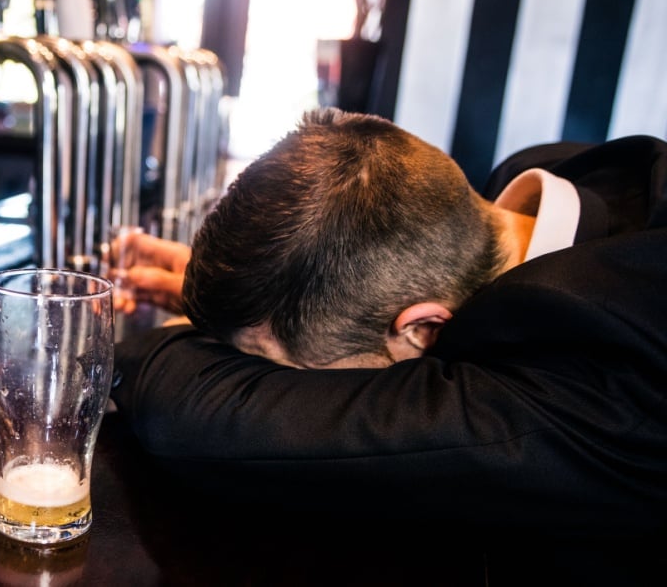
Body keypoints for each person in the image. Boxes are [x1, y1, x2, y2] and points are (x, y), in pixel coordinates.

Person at [108, 109, 667, 544]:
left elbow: (200, 419)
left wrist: (98, 344)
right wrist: (265, 294)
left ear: (422, 330)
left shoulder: (606, 377)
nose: (276, 384)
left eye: (279, 372)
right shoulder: (575, 184)